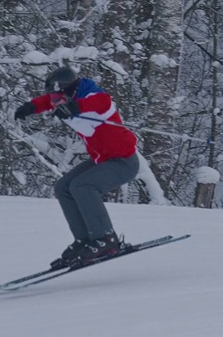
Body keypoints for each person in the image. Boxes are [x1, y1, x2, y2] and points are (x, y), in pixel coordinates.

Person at [13, 66, 139, 269]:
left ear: (71, 92)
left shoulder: (94, 98)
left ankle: (106, 239)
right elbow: (48, 100)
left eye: (57, 97)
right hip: (103, 160)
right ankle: (86, 240)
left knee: (83, 186)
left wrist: (76, 108)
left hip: (123, 161)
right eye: (52, 97)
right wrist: (31, 107)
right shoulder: (64, 98)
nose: (54, 102)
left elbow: (102, 101)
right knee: (63, 187)